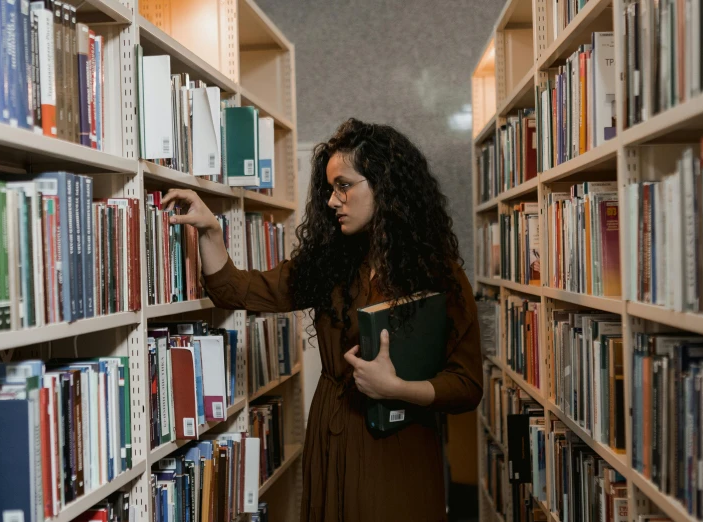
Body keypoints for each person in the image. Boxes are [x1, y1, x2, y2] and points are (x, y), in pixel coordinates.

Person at [160, 118, 483, 522]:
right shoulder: (328, 263)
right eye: (330, 189)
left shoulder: (438, 274)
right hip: (331, 430)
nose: (332, 201)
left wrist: (398, 387)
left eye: (344, 185)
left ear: (384, 184)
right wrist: (209, 231)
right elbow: (235, 291)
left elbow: (468, 386)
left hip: (399, 444)